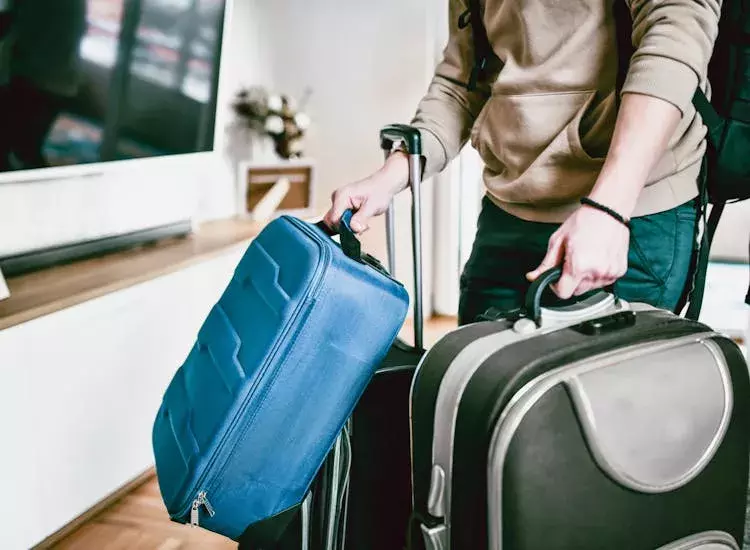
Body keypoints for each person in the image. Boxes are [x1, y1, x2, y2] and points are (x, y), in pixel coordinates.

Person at [323, 0, 721, 326]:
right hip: (510, 212)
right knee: (484, 395)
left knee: (599, 412)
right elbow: (461, 84)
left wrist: (610, 208)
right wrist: (390, 177)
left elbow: (675, 38)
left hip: (631, 214)